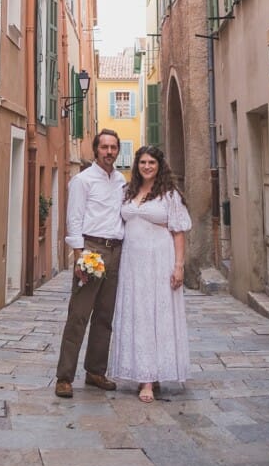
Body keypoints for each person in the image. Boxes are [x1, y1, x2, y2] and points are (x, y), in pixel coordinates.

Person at [108, 145, 192, 402]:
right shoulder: (127, 192)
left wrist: (178, 266)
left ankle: (149, 380)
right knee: (138, 315)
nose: (147, 166)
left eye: (151, 163)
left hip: (159, 261)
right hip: (132, 264)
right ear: (137, 165)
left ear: (159, 166)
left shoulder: (169, 195)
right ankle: (144, 372)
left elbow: (178, 232)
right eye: (143, 162)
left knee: (157, 316)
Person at [54, 128, 127, 398]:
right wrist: (78, 256)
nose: (109, 152)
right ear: (96, 150)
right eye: (104, 147)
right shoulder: (82, 181)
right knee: (79, 315)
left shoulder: (121, 180)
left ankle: (96, 371)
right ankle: (64, 377)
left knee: (105, 317)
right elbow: (74, 218)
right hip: (92, 250)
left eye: (113, 147)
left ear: (118, 151)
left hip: (116, 251)